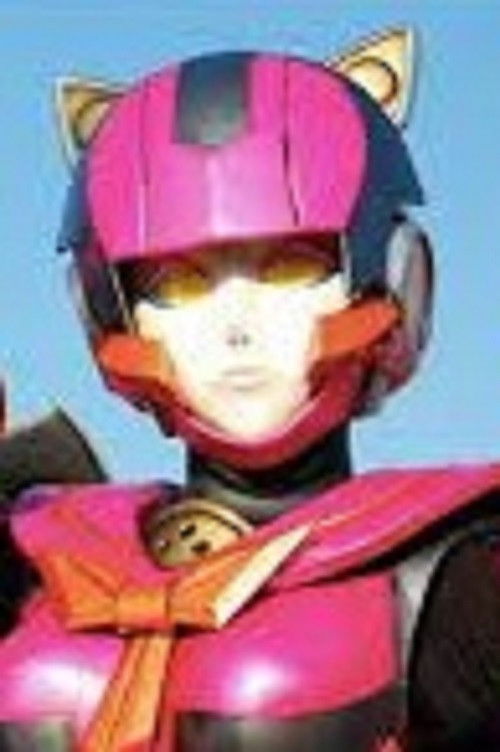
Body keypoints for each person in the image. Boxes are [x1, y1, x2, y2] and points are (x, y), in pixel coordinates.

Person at [1, 28, 500, 752]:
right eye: (179, 284)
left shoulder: (454, 572)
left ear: (393, 278)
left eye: (290, 268)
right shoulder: (38, 552)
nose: (236, 327)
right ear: (106, 306)